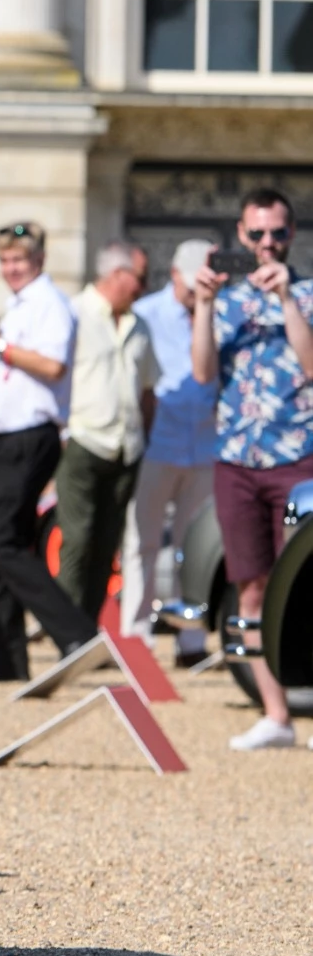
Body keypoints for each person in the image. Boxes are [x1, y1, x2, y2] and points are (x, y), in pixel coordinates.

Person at [189, 188, 313, 749]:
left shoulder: (308, 294)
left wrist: (287, 299)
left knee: (306, 587)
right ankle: (275, 714)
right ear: (240, 236)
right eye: (257, 235)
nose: (267, 245)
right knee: (251, 588)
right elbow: (201, 374)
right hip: (238, 461)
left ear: (291, 235)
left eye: (277, 234)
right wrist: (204, 304)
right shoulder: (229, 301)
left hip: (298, 459)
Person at [0, 221, 97, 681]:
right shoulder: (18, 306)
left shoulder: (49, 304)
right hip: (1, 436)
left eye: (19, 260)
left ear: (38, 260)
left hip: (29, 434)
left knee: (4, 544)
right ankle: (7, 657)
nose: (11, 268)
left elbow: (53, 366)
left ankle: (76, 633)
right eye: (5, 260)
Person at [120, 239, 218, 664]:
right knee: (142, 541)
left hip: (205, 448)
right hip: (158, 446)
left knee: (191, 545)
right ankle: (136, 637)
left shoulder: (218, 313)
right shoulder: (147, 315)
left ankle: (190, 641)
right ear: (176, 275)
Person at [55, 240, 156, 619]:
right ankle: (66, 625)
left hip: (126, 448)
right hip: (83, 442)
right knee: (76, 540)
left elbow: (148, 389)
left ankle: (86, 627)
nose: (143, 287)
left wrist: (144, 435)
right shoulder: (74, 314)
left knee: (105, 544)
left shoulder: (140, 325)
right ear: (117, 274)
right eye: (140, 278)